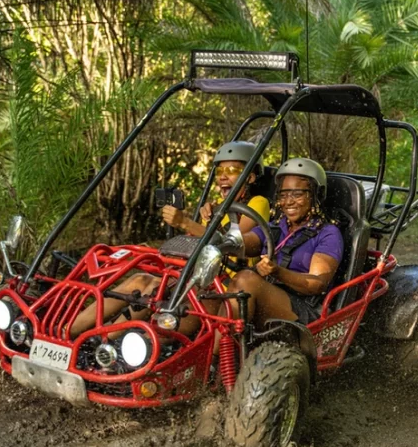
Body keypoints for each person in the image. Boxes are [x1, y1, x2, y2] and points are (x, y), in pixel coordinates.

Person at [68, 141, 270, 338]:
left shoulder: (258, 203)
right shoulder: (216, 207)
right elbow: (198, 245)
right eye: (219, 171)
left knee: (155, 293)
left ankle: (108, 341)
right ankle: (71, 333)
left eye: (233, 170)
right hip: (195, 278)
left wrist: (185, 222)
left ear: (250, 177)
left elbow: (232, 243)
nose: (223, 176)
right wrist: (205, 219)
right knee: (140, 281)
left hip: (224, 285)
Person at [225, 157, 344, 326]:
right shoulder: (275, 227)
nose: (288, 201)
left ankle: (220, 353)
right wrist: (214, 235)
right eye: (284, 194)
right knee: (208, 296)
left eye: (297, 194)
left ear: (315, 195)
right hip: (270, 296)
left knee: (245, 280)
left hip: (305, 309)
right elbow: (243, 243)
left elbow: (316, 284)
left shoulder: (327, 233)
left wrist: (277, 272)